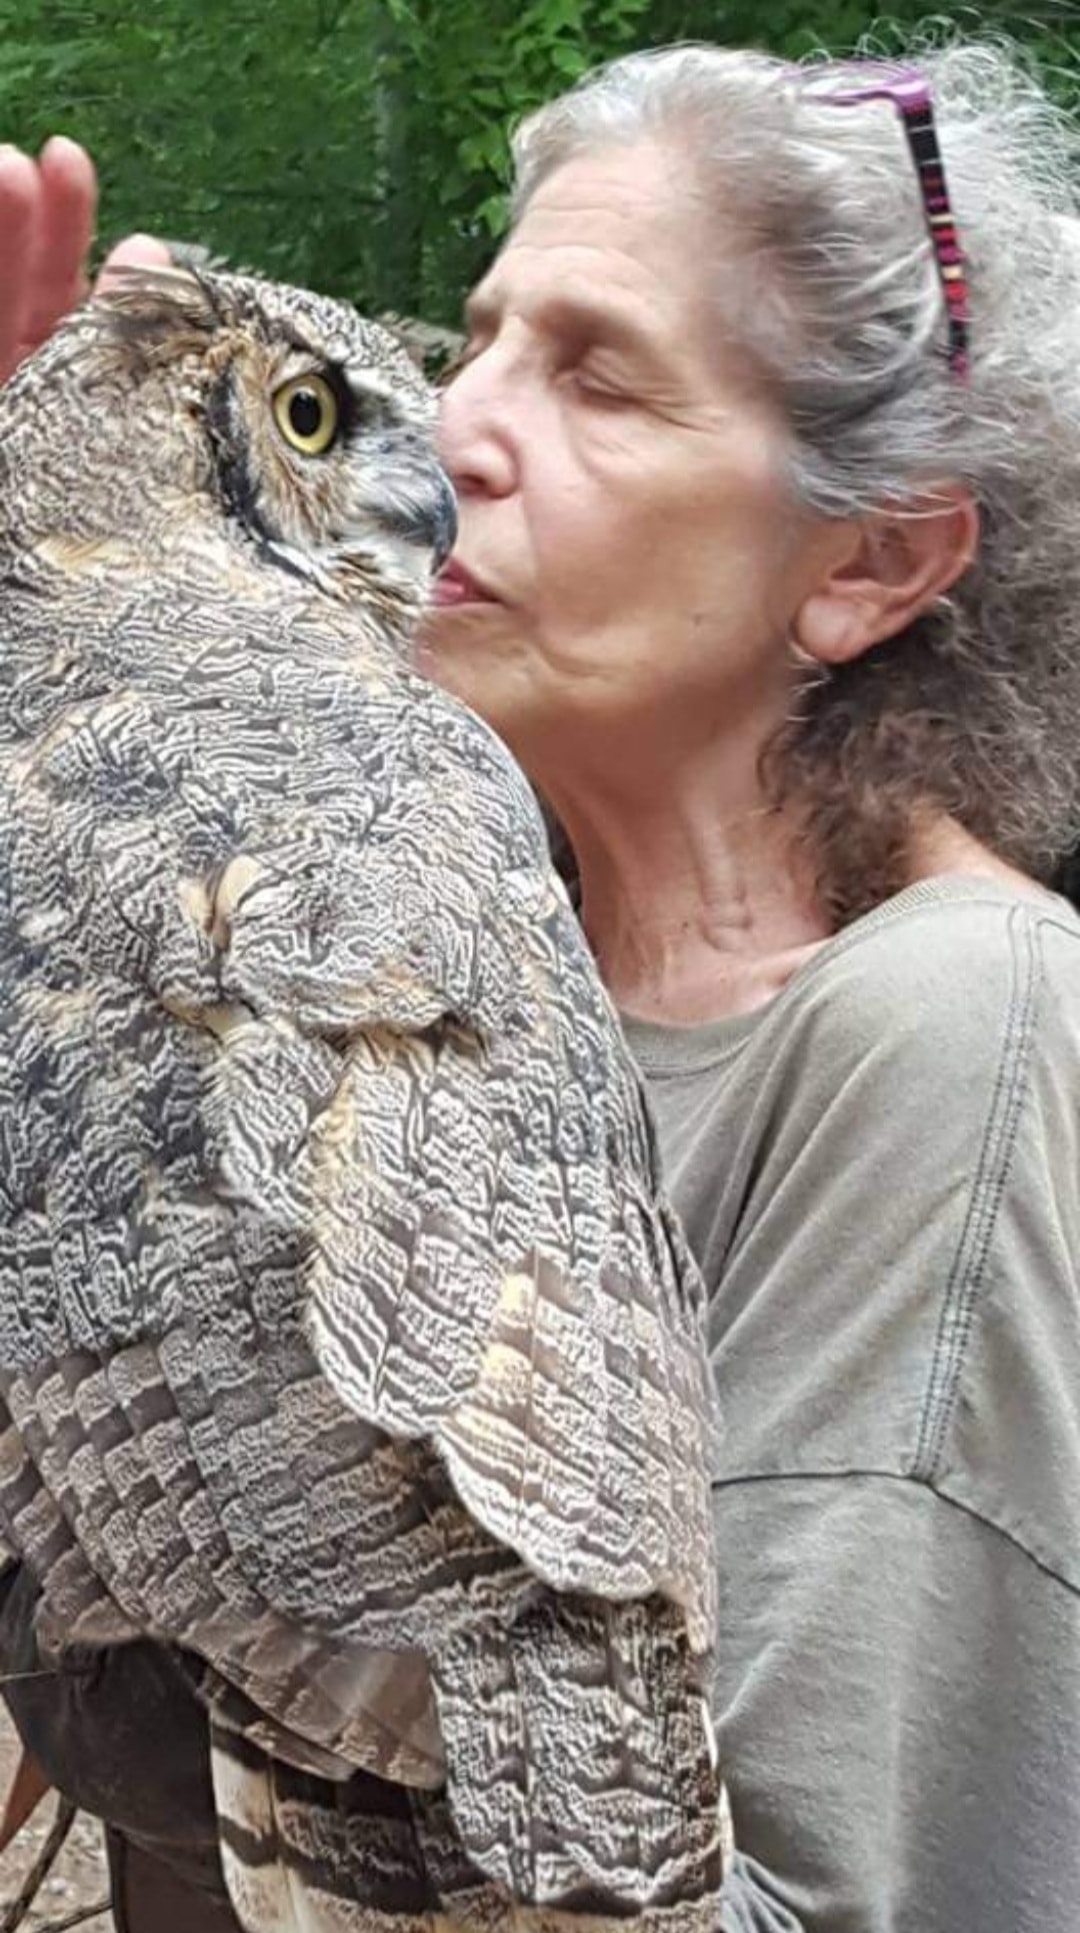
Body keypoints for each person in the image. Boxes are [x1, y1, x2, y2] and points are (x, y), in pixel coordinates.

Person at [4, 34, 1080, 1933]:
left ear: (871, 560)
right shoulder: (371, 952)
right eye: (476, 345)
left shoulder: (960, 1026)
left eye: (598, 377)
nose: (469, 429)